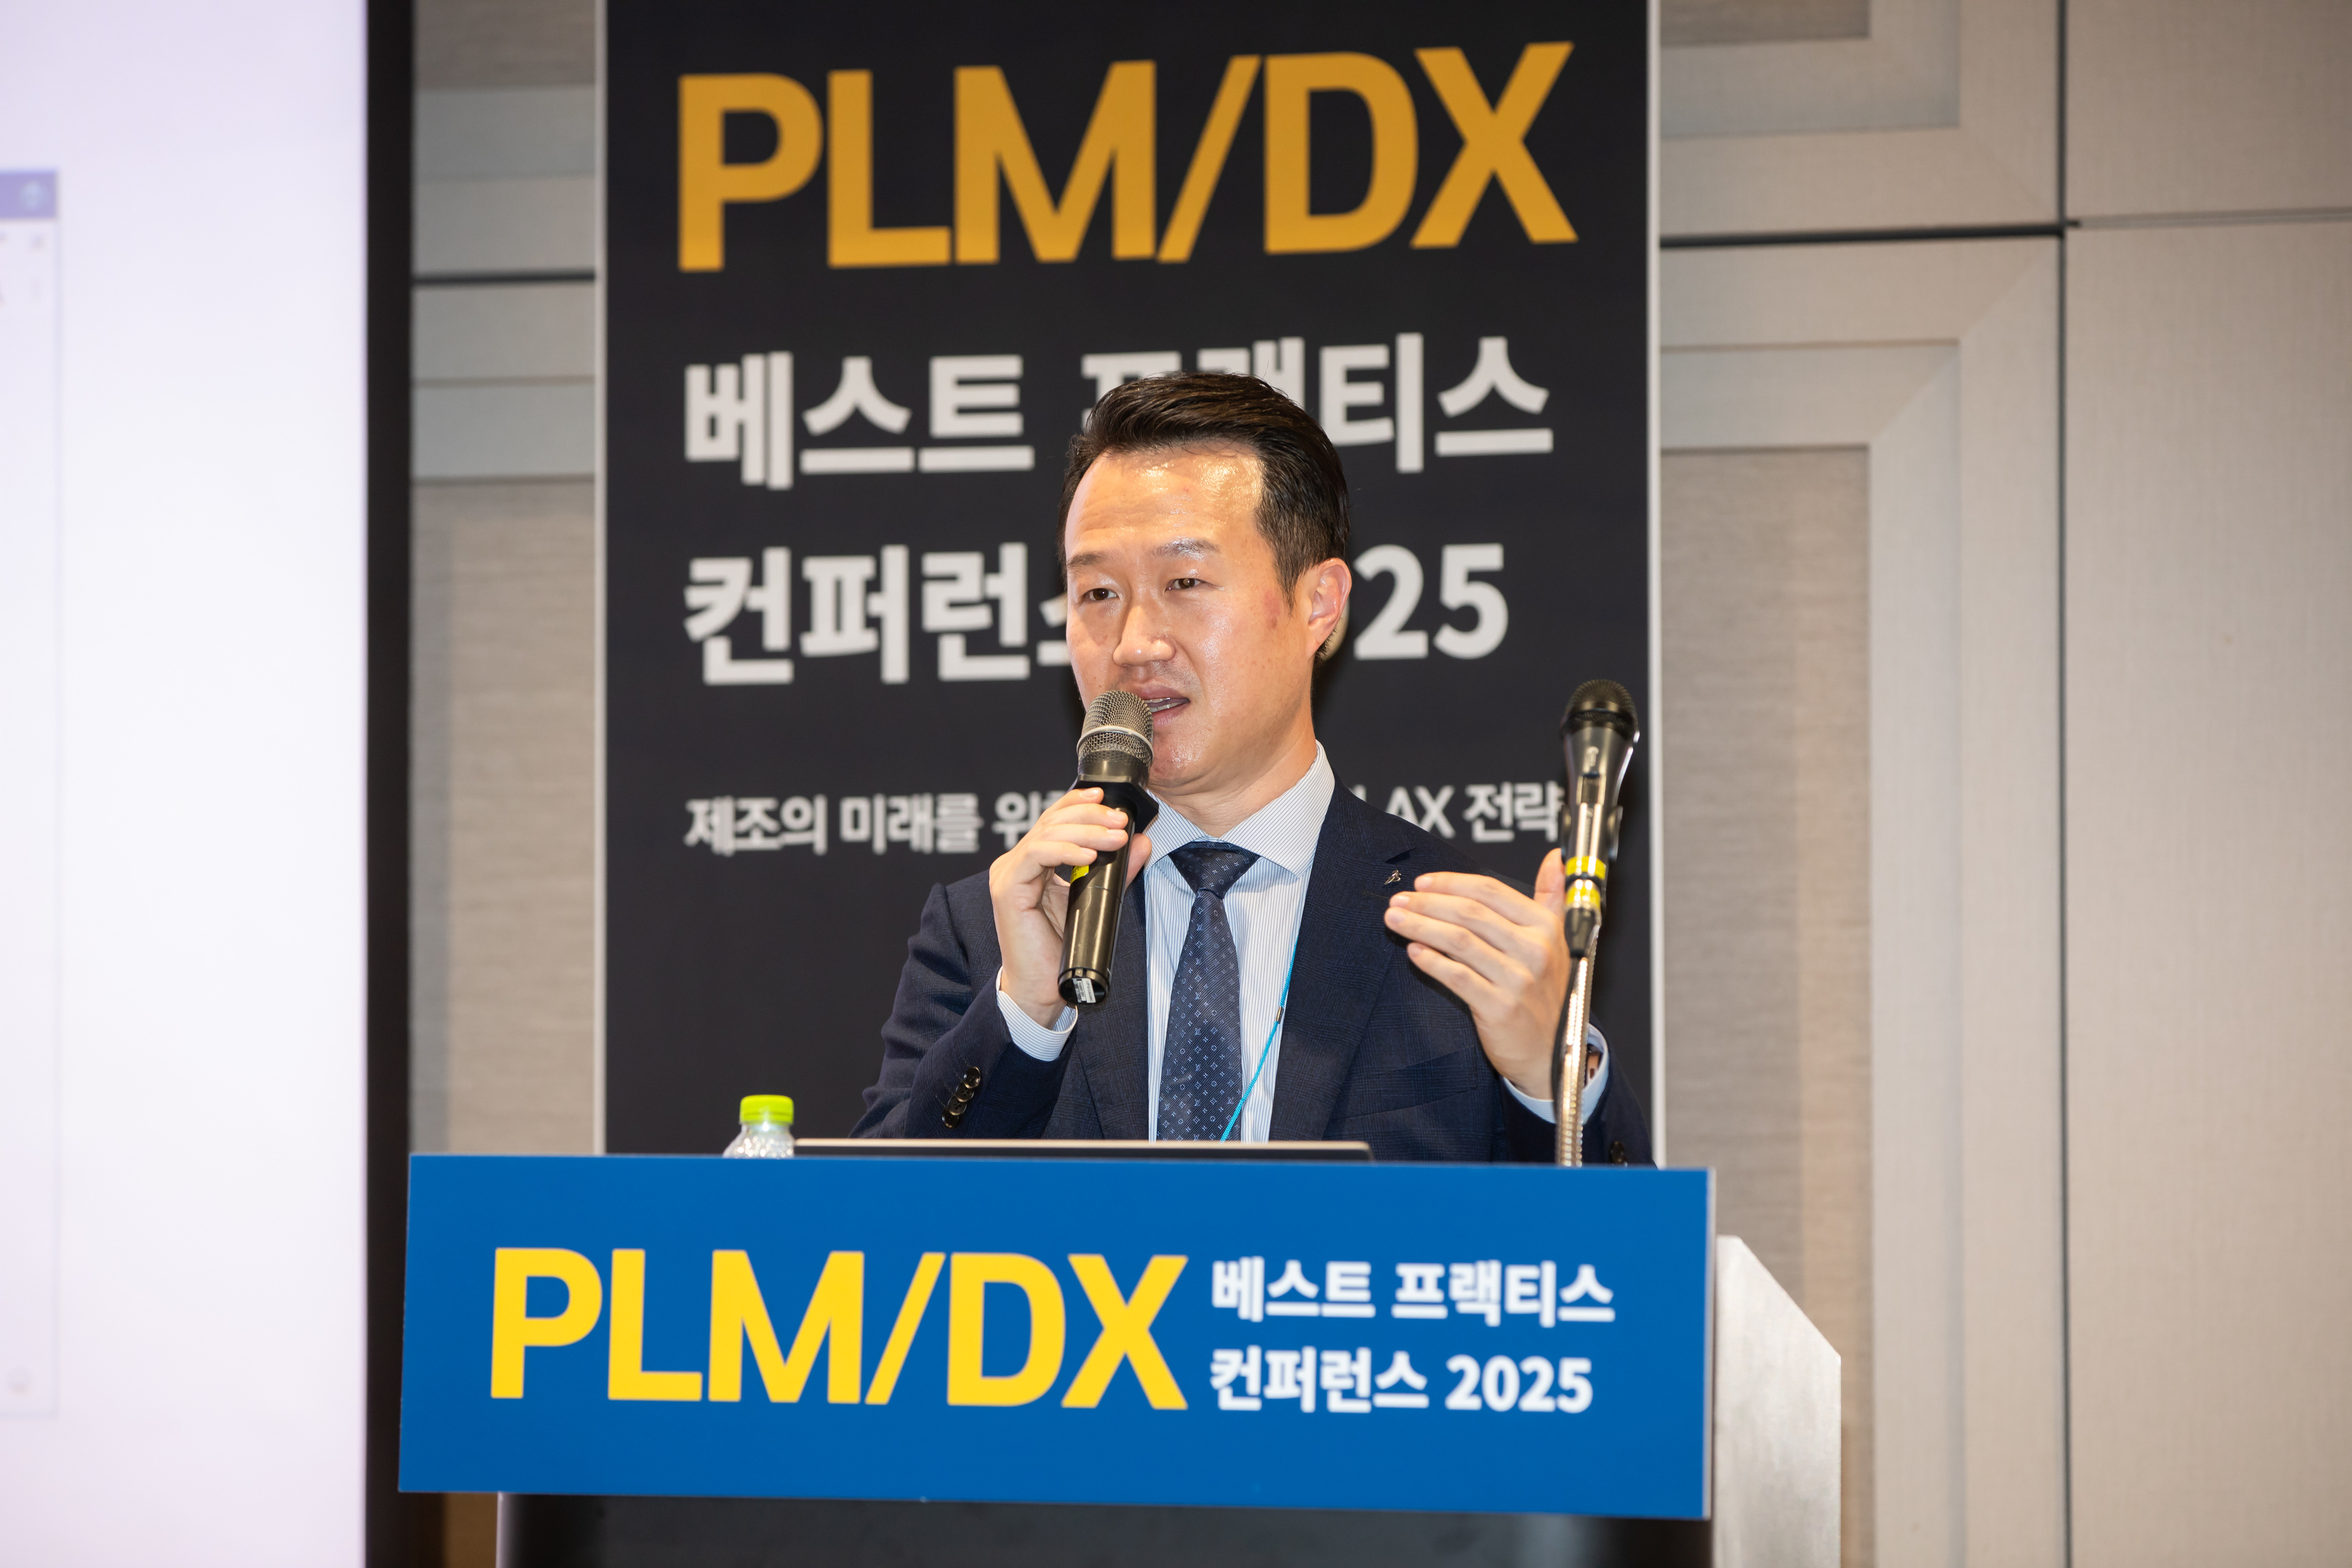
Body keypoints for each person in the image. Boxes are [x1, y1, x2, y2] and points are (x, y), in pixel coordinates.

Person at [854, 373, 1650, 1164]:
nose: (1133, 643)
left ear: (1319, 604)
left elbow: (1620, 1240)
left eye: (1185, 582)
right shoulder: (989, 932)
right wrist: (1023, 1018)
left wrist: (1551, 1077)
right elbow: (860, 1228)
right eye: (1096, 593)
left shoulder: (1459, 939)